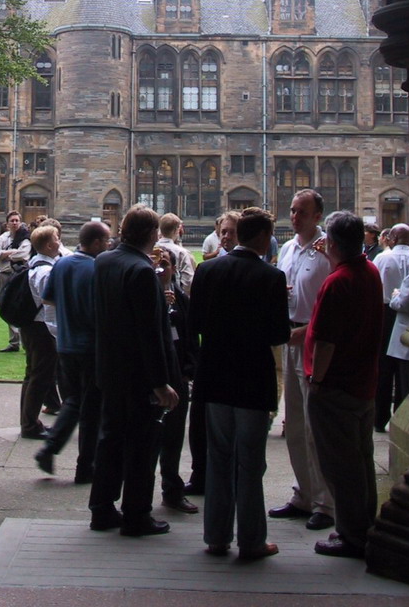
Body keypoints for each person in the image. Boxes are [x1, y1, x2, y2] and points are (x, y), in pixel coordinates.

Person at [190, 207, 290, 560]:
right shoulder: (271, 278)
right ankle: (251, 540)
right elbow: (279, 334)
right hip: (251, 380)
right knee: (250, 463)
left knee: (218, 457)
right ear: (263, 237)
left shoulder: (207, 269)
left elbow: (195, 321)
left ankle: (216, 536)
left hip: (215, 375)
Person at [89, 205, 178, 537]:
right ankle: (137, 514)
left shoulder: (106, 261)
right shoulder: (140, 271)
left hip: (110, 370)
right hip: (138, 377)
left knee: (110, 439)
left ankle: (101, 508)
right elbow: (149, 333)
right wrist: (160, 384)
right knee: (142, 446)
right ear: (154, 235)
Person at [305, 211, 383, 558]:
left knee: (340, 467)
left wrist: (317, 381)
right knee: (361, 460)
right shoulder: (369, 271)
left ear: (333, 243)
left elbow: (325, 341)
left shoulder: (336, 283)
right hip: (363, 384)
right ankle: (365, 526)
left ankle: (351, 535)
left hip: (335, 386)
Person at [269, 189, 335, 531]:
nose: (294, 217)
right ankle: (304, 494)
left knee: (314, 426)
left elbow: (333, 306)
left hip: (312, 339)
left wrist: (308, 331)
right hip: (288, 336)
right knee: (293, 423)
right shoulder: (289, 248)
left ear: (317, 216)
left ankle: (326, 502)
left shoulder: (327, 253)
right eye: (292, 210)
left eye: (302, 212)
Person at [36, 221, 112, 481]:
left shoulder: (62, 264)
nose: (110, 245)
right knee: (92, 409)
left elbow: (48, 299)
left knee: (74, 401)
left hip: (66, 345)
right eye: (107, 240)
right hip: (90, 347)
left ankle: (50, 447)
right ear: (96, 243)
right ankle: (85, 467)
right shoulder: (98, 268)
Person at [184, 210, 242, 497]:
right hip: (212, 353)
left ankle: (229, 475)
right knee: (200, 419)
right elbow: (195, 319)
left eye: (232, 232)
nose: (226, 237)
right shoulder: (207, 270)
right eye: (223, 232)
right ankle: (200, 473)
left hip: (241, 358)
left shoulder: (264, 272)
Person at [155, 247, 198, 514]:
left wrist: (188, 370)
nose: (161, 269)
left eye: (166, 264)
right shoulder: (144, 297)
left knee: (172, 439)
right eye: (156, 264)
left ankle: (172, 490)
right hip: (152, 378)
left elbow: (191, 338)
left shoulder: (181, 299)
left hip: (176, 375)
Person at [19, 225, 61, 438]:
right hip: (40, 327)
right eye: (56, 238)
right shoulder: (45, 271)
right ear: (48, 244)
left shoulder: (36, 264)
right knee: (40, 377)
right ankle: (29, 425)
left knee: (32, 374)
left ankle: (29, 421)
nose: (59, 241)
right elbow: (49, 304)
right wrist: (57, 332)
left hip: (33, 326)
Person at [374, 224, 409, 430]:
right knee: (404, 370)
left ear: (393, 238)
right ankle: (402, 419)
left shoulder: (383, 258)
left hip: (385, 312)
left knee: (383, 369)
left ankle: (380, 419)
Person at [0, 210, 31, 352]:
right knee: (6, 305)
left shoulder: (25, 238)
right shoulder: (3, 237)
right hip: (4, 274)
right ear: (7, 223)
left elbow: (24, 253)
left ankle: (24, 341)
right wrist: (11, 253)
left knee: (20, 305)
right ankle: (14, 341)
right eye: (12, 221)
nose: (14, 223)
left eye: (16, 220)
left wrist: (6, 255)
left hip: (19, 274)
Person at [386, 227, 409, 411]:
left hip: (404, 329)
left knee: (403, 379)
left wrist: (395, 296)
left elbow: (403, 302)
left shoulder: (383, 258)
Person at [157, 212, 195, 294]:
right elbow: (188, 281)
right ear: (176, 230)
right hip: (174, 296)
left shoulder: (153, 248)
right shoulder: (182, 253)